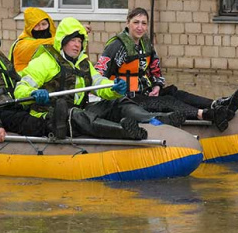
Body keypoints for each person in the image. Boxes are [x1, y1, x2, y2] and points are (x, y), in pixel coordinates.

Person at [14, 18, 180, 141]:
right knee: (76, 115)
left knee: (117, 102)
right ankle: (124, 131)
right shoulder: (44, 61)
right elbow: (20, 89)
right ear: (62, 42)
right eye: (72, 40)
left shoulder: (84, 63)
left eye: (79, 41)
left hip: (80, 109)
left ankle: (153, 118)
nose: (77, 45)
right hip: (51, 115)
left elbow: (99, 83)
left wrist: (114, 88)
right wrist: (33, 93)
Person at [95, 7, 238, 131]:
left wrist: (157, 85)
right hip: (127, 99)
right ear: (128, 23)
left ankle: (217, 104)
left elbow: (155, 69)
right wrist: (113, 90)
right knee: (167, 101)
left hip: (145, 92)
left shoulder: (146, 44)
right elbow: (99, 73)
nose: (140, 27)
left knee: (173, 92)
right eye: (136, 22)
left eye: (144, 23)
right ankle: (206, 114)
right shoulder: (116, 46)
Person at [9, 7, 56, 73]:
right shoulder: (22, 44)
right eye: (36, 25)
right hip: (23, 78)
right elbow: (38, 45)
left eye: (44, 24)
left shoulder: (50, 38)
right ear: (29, 28)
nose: (41, 28)